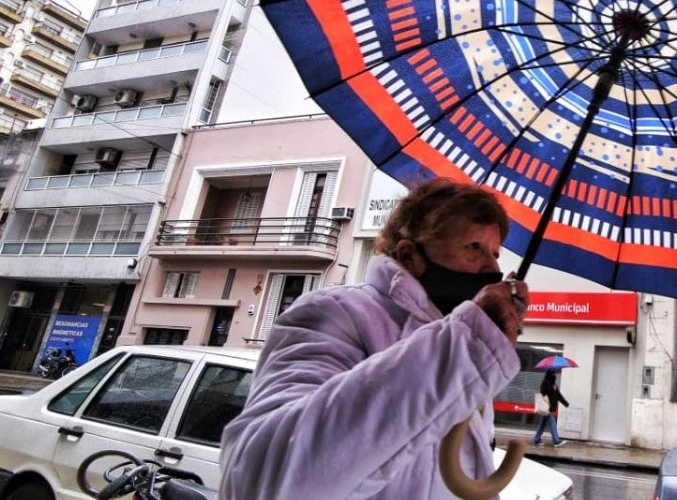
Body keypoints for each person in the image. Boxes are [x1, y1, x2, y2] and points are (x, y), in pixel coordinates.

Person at [219, 177, 529, 499]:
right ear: (410, 255)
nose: (492, 268)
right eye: (473, 248)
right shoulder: (335, 313)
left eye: (495, 252)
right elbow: (264, 478)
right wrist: (466, 348)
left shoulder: (458, 339)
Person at [533, 370, 570, 447]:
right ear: (549, 374)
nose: (554, 375)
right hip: (547, 407)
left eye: (554, 373)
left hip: (551, 407)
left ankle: (536, 439)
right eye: (552, 374)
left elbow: (558, 395)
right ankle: (556, 441)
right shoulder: (545, 382)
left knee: (543, 424)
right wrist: (551, 388)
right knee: (552, 423)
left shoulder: (554, 385)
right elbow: (542, 391)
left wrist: (565, 403)